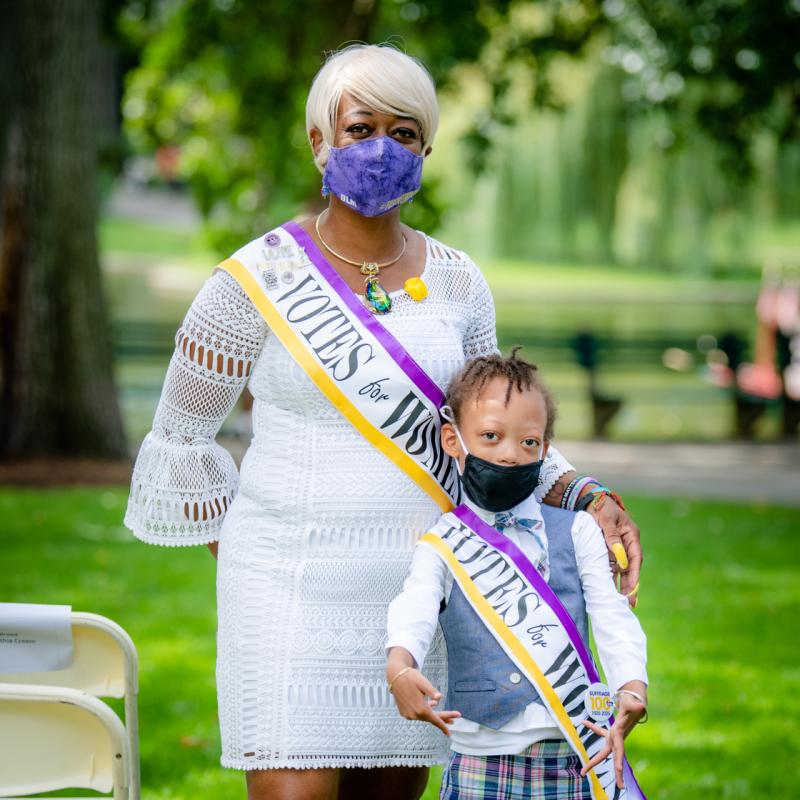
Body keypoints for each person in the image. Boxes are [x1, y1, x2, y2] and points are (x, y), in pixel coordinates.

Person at [125, 44, 643, 800]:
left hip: (417, 599)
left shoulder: (459, 281)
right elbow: (179, 439)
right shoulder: (255, 281)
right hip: (286, 592)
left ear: (426, 148)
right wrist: (249, 553)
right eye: (360, 127)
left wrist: (585, 494)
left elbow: (496, 429)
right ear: (318, 142)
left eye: (404, 133)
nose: (381, 148)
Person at [386, 351, 648, 799]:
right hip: (478, 757)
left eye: (528, 443)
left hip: (574, 757)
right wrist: (399, 665)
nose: (509, 454)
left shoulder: (579, 529)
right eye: (490, 436)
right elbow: (416, 604)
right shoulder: (442, 541)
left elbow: (611, 615)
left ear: (545, 450)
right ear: (453, 440)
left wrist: (632, 685)